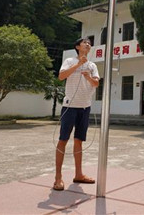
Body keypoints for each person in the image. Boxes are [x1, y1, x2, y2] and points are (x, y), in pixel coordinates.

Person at [53, 38, 100, 191]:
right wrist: (78, 64)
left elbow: (96, 83)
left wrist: (88, 77)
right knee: (63, 140)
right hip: (70, 107)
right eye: (85, 42)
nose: (88, 44)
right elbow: (61, 76)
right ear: (77, 46)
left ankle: (79, 174)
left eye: (89, 43)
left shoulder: (92, 65)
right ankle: (58, 177)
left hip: (85, 107)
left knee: (79, 141)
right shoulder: (69, 61)